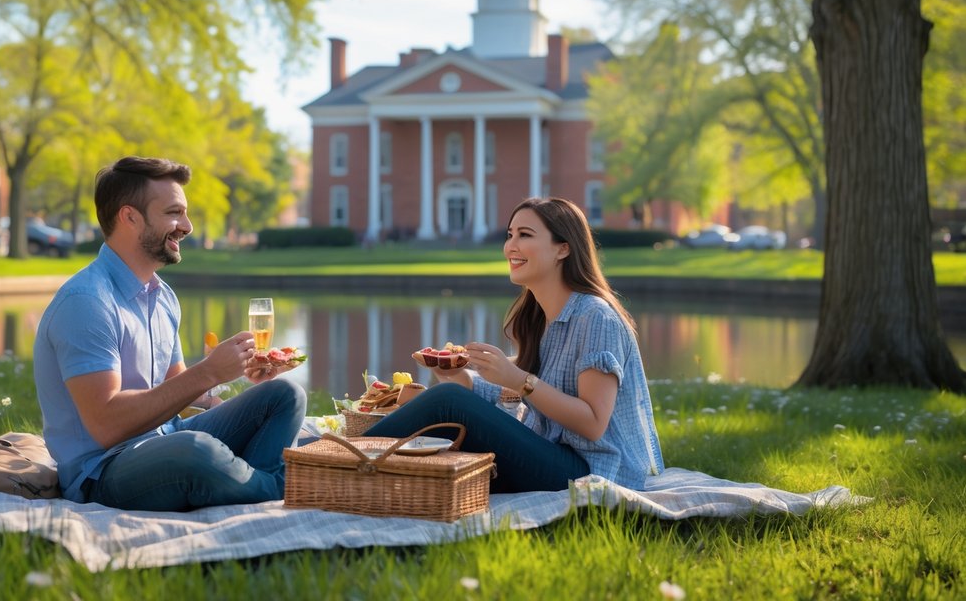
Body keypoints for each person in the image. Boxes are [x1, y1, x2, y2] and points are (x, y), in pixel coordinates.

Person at [33, 156, 306, 511]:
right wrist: (207, 371)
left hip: (166, 436)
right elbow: (106, 425)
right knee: (194, 450)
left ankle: (251, 482)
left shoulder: (161, 297)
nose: (187, 226)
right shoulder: (86, 302)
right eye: (174, 213)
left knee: (284, 395)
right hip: (104, 471)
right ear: (130, 217)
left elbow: (178, 388)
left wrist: (233, 375)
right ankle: (282, 484)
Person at [365, 196, 664, 491]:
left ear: (563, 249)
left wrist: (521, 381)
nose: (510, 246)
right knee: (445, 415)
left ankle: (345, 451)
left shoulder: (595, 318)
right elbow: (519, 391)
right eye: (510, 235)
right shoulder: (541, 318)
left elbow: (593, 422)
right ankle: (347, 461)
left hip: (591, 470)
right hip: (553, 455)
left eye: (525, 235)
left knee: (447, 402)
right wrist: (463, 377)